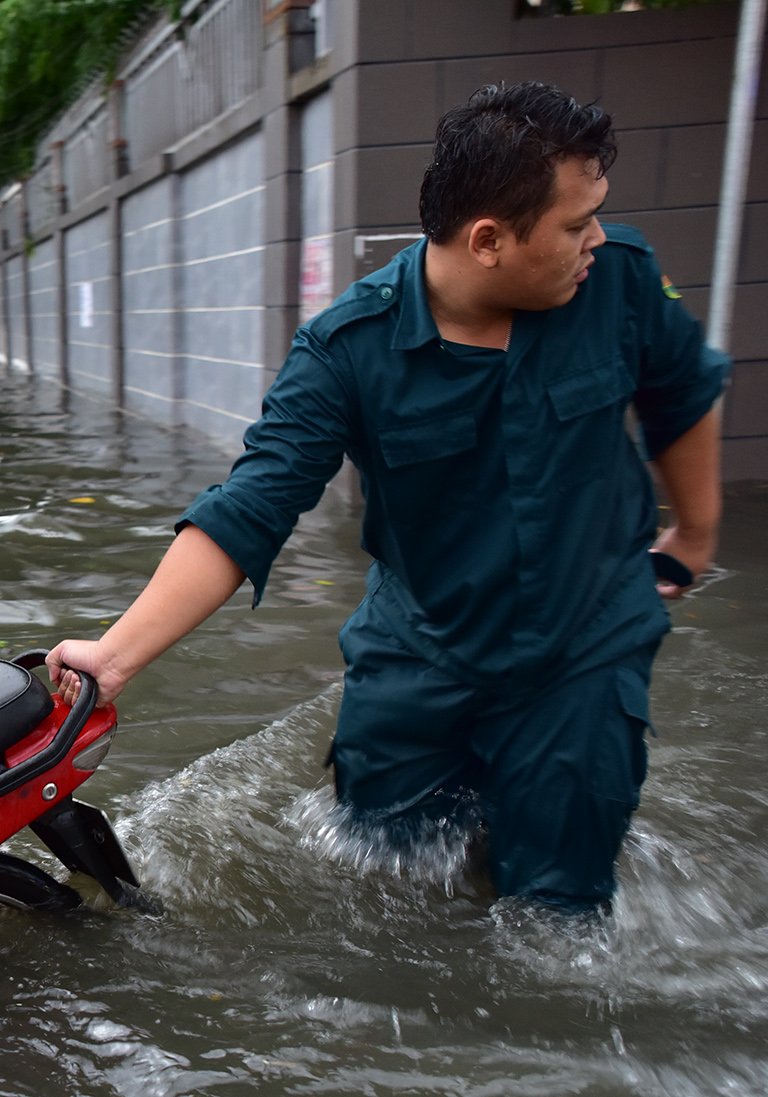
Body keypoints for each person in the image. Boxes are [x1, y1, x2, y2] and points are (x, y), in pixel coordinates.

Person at [47, 83, 728, 913]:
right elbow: (252, 505)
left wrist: (692, 538)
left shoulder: (620, 279)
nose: (597, 238)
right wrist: (114, 658)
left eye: (597, 216)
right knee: (385, 882)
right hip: (421, 654)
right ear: (488, 239)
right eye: (575, 223)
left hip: (581, 648)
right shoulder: (346, 349)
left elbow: (682, 396)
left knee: (554, 910)